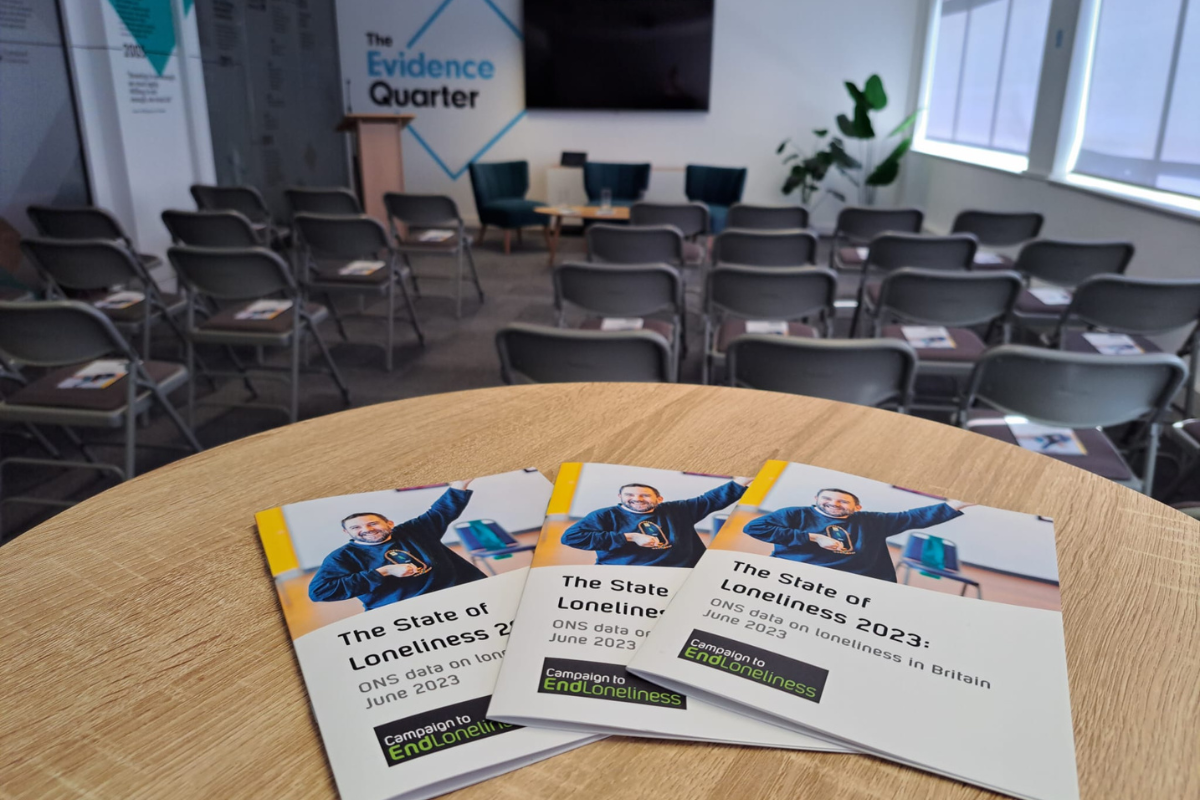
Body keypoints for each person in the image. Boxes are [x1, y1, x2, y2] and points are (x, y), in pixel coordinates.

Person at [308, 480, 486, 610]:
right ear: (347, 533)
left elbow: (441, 511)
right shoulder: (343, 557)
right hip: (406, 612)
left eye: (373, 523)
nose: (367, 529)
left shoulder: (414, 530)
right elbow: (320, 592)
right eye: (356, 527)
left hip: (460, 592)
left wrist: (460, 484)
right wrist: (383, 572)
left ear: (390, 524)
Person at [742, 488, 975, 582]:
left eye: (843, 501)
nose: (834, 503)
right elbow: (754, 528)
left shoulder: (873, 521)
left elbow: (913, 517)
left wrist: (956, 504)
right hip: (796, 577)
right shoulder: (794, 514)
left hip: (853, 583)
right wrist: (813, 538)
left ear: (857, 508)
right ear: (816, 500)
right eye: (827, 498)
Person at [561, 478, 751, 568]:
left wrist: (741, 481)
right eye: (630, 495)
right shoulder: (604, 516)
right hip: (624, 576)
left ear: (659, 499)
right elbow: (571, 538)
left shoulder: (678, 509)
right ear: (620, 497)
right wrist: (629, 537)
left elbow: (711, 499)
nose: (637, 499)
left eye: (644, 495)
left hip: (680, 571)